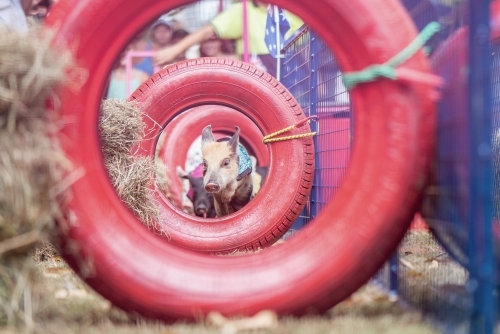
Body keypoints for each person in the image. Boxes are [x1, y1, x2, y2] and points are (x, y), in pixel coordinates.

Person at [153, 1, 302, 78]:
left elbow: (311, 43)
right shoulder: (243, 9)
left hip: (295, 78)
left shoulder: (295, 9)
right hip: (261, 80)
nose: (210, 45)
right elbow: (207, 31)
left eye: (214, 42)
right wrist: (175, 50)